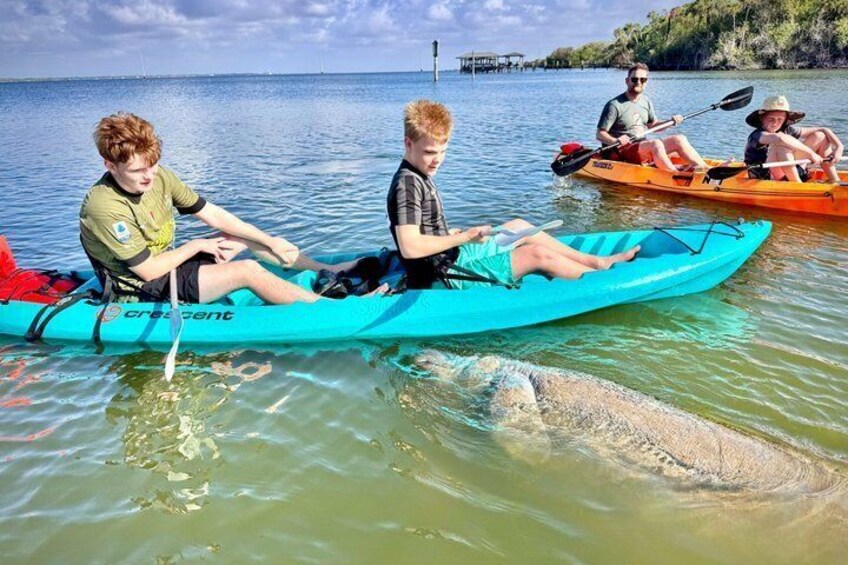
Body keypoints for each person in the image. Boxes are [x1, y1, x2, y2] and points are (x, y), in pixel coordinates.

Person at [80, 112, 359, 305]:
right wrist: (197, 245)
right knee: (247, 270)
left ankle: (328, 269)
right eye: (138, 171)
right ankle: (329, 308)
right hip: (141, 287)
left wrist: (268, 239)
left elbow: (212, 214)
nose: (149, 176)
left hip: (170, 266)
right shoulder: (104, 206)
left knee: (241, 237)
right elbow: (149, 271)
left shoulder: (160, 176)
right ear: (110, 165)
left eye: (152, 165)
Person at [386, 100, 639, 291]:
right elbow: (410, 247)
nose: (438, 160)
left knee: (519, 227)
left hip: (451, 256)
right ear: (408, 143)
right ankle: (606, 286)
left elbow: (422, 230)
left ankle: (596, 263)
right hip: (442, 276)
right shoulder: (407, 185)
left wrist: (450, 234)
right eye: (430, 152)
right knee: (536, 254)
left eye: (443, 151)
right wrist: (465, 237)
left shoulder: (418, 173)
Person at [596, 62, 707, 172]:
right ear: (627, 81)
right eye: (634, 79)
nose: (638, 82)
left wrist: (670, 122)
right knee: (655, 143)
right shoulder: (614, 105)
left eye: (642, 80)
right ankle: (675, 174)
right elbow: (600, 134)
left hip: (641, 146)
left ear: (646, 82)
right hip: (622, 150)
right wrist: (615, 140)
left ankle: (705, 169)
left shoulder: (645, 101)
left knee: (679, 139)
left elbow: (653, 125)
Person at [744, 95, 844, 183]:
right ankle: (797, 185)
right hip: (768, 178)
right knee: (781, 145)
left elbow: (823, 129)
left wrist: (839, 147)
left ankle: (834, 180)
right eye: (771, 119)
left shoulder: (787, 130)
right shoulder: (757, 135)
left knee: (819, 136)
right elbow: (780, 138)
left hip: (791, 170)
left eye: (780, 119)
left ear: (785, 120)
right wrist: (811, 154)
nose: (775, 123)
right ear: (762, 118)